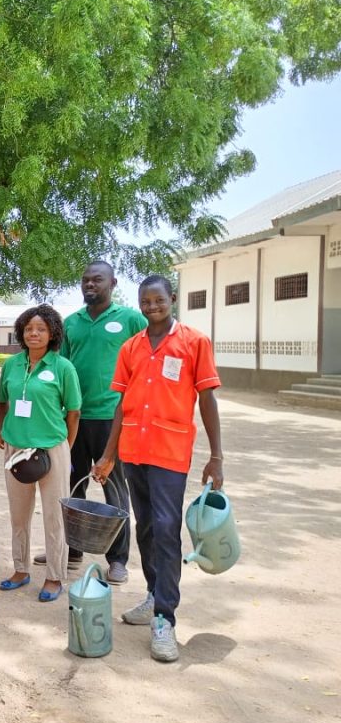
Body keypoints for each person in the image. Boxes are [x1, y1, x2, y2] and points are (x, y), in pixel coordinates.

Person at [93, 275, 223, 663]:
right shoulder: (131, 346)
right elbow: (122, 405)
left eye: (158, 300)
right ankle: (153, 595)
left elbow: (207, 398)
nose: (151, 307)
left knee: (167, 529)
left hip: (169, 451)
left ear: (173, 299)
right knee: (146, 527)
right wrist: (109, 453)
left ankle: (165, 618)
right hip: (134, 450)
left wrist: (217, 455)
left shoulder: (194, 342)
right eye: (145, 302)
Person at [33, 261, 147, 584]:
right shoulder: (71, 323)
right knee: (73, 486)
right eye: (85, 280)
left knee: (114, 488)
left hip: (114, 418)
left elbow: (147, 357)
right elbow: (60, 369)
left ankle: (118, 559)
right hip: (76, 417)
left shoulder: (130, 319)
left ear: (113, 282)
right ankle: (72, 551)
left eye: (97, 279)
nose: (89, 285)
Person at [0, 304, 81, 603]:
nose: (34, 333)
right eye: (29, 328)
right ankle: (20, 569)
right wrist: (4, 429)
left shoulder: (62, 368)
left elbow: (74, 412)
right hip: (15, 449)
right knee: (19, 514)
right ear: (21, 332)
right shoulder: (12, 365)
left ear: (52, 333)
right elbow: (2, 401)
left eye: (41, 328)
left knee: (55, 516)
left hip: (51, 449)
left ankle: (55, 576)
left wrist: (65, 448)